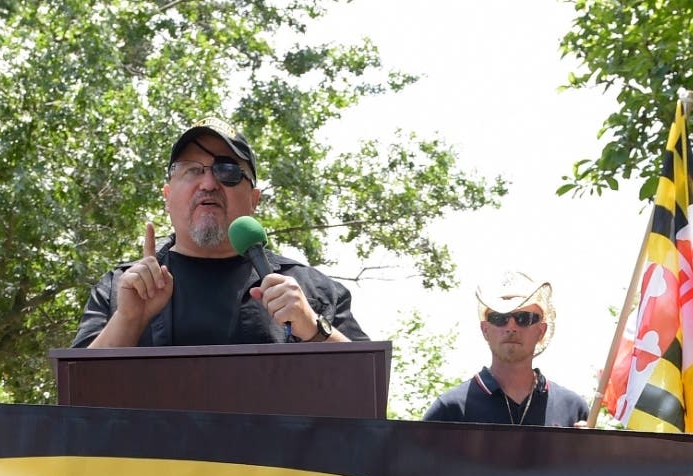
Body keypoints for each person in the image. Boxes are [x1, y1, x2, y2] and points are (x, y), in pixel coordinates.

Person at [71, 117, 369, 348]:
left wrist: (312, 328)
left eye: (227, 171)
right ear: (167, 196)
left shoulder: (311, 292)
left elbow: (366, 391)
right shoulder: (122, 289)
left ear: (254, 200)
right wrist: (128, 320)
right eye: (192, 170)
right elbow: (75, 400)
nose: (209, 183)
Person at [422, 271, 589, 426]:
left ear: (541, 331)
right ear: (485, 329)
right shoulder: (449, 409)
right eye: (499, 318)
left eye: (524, 318)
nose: (511, 327)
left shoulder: (573, 409)